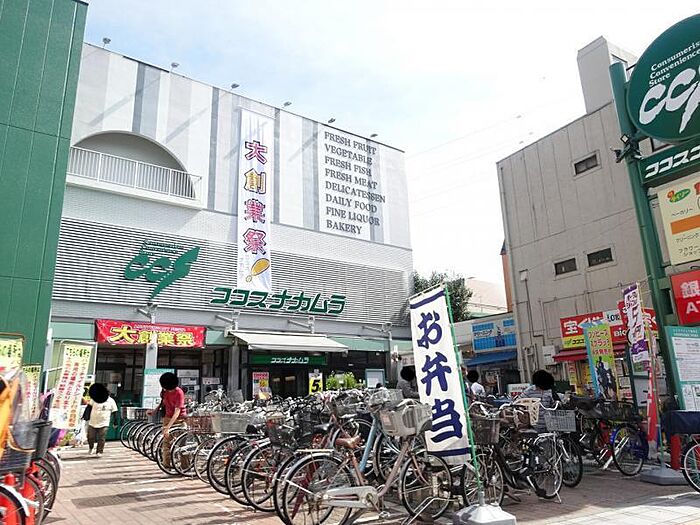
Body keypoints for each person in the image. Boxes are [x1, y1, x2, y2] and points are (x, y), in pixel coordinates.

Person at [147, 372, 186, 469]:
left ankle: (185, 467)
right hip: (167, 418)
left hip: (180, 419)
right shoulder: (165, 392)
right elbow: (162, 403)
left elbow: (177, 412)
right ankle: (166, 465)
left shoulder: (179, 392)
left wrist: (168, 427)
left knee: (182, 443)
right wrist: (154, 411)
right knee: (166, 443)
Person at [86, 383, 118, 457]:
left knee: (101, 438)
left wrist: (115, 422)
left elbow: (115, 412)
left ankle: (99, 451)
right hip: (93, 421)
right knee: (90, 437)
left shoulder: (111, 401)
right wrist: (86, 416)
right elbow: (89, 408)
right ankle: (91, 447)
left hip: (104, 422)